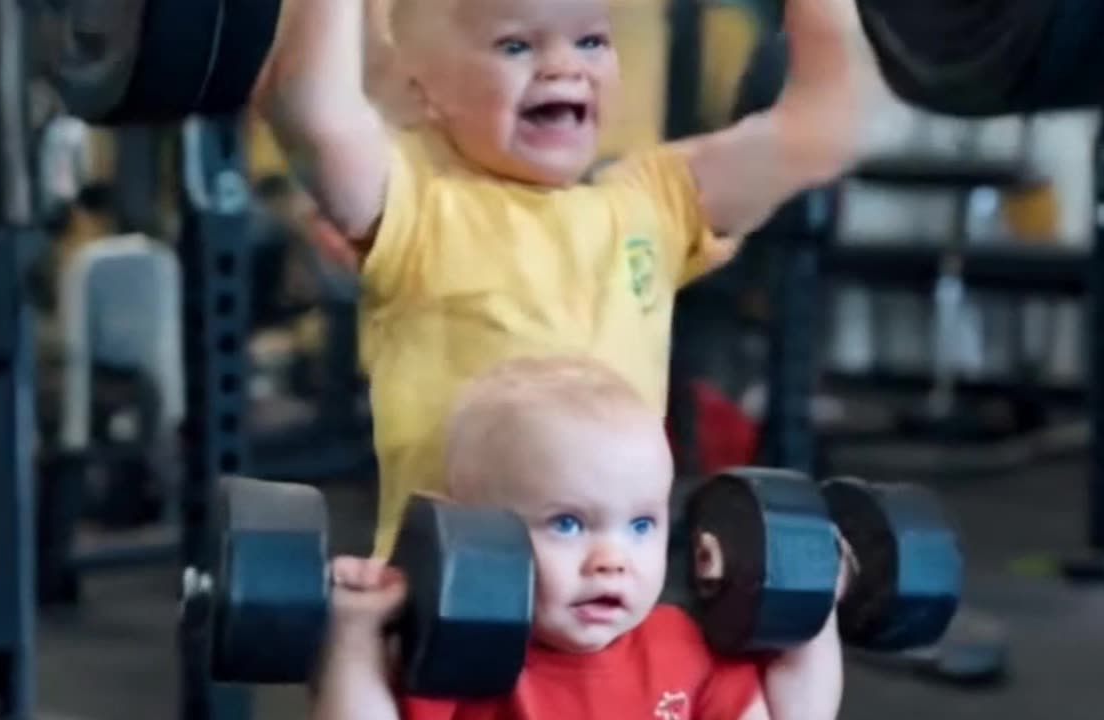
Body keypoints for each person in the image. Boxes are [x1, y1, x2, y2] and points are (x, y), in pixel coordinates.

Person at [251, 0, 885, 557]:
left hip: (609, 617)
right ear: (424, 90)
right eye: (516, 45)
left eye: (591, 41)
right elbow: (308, 109)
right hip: (450, 603)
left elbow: (822, 129)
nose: (564, 67)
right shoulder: (421, 206)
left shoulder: (655, 203)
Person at [315, 356, 844, 720]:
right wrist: (355, 634)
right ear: (472, 533)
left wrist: (813, 608)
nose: (611, 560)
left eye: (641, 525)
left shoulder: (686, 646)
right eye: (567, 523)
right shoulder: (459, 654)